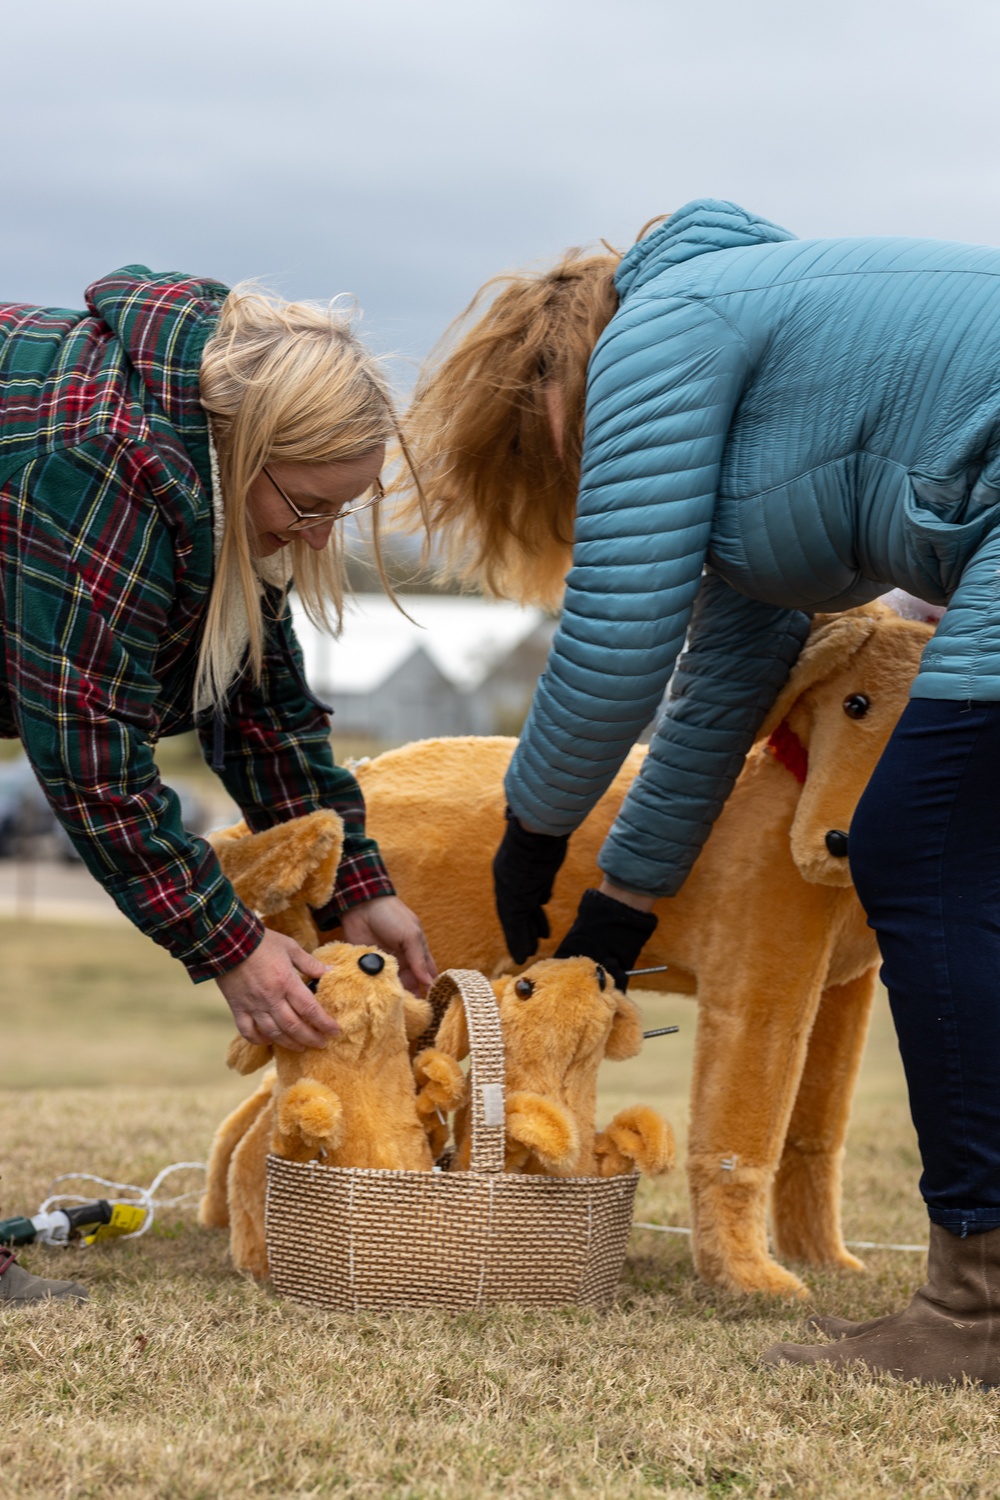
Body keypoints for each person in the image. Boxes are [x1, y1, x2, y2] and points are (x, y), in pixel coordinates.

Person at [400, 199, 1000, 1386]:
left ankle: (976, 1313)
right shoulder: (777, 382)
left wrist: (530, 830)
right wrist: (619, 905)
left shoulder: (664, 330)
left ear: (551, 385)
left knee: (920, 853)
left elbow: (615, 637)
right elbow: (715, 694)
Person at [0, 267, 436, 1305]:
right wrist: (226, 944)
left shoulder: (203, 478)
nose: (324, 535)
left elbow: (259, 707)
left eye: (349, 506)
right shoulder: (102, 463)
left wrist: (356, 886)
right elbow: (90, 754)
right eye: (310, 504)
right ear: (247, 449)